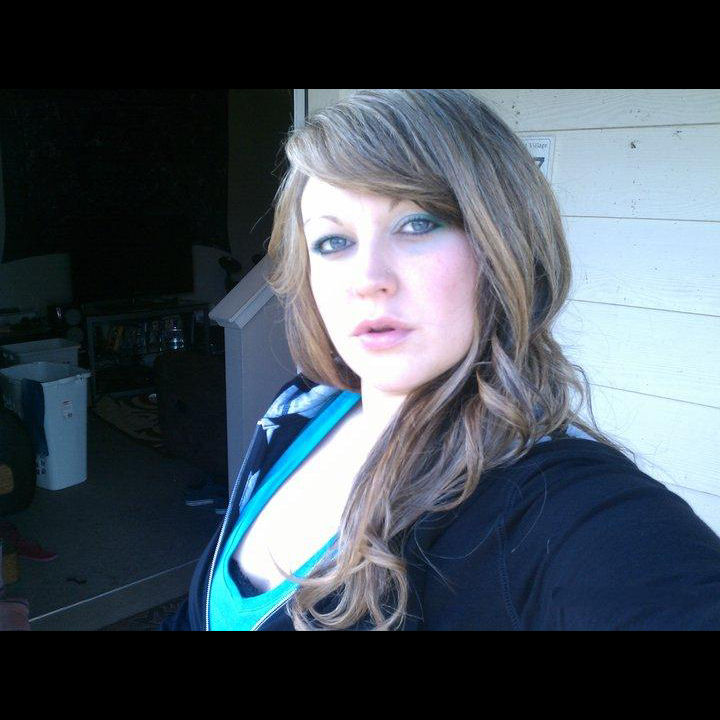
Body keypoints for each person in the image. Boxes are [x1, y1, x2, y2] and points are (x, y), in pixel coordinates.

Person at [161, 89, 720, 631]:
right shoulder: (303, 409)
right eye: (332, 242)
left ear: (503, 243)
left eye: (418, 224)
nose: (367, 280)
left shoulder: (553, 504)